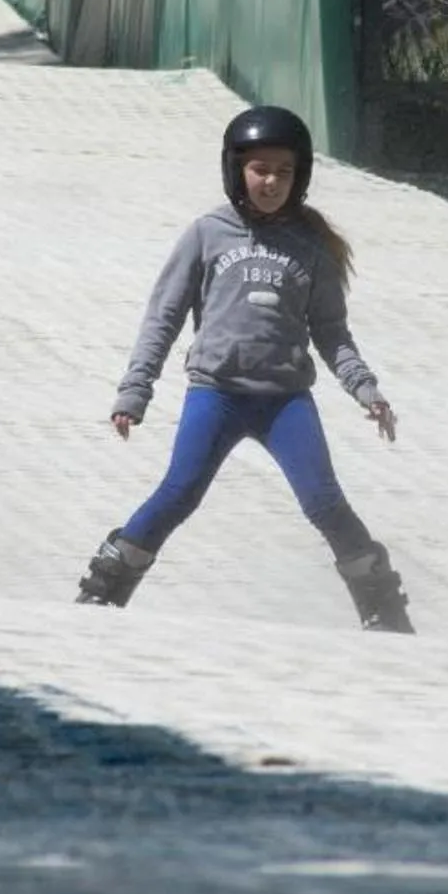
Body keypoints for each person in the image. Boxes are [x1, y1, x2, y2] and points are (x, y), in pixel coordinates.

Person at [78, 105, 413, 632]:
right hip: (217, 394)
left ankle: (383, 608)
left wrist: (366, 389)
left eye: (284, 171)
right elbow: (162, 319)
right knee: (179, 492)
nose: (271, 182)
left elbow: (331, 332)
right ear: (236, 170)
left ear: (299, 176)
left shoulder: (311, 246)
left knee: (324, 501)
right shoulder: (207, 234)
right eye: (260, 169)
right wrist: (134, 391)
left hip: (285, 401)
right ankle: (104, 589)